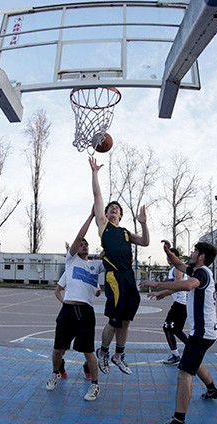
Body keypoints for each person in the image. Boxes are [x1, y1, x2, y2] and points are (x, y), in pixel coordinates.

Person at [140, 240, 217, 424]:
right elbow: (178, 264)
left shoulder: (201, 273)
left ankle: (178, 422)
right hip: (206, 332)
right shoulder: (199, 270)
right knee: (193, 361)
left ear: (201, 256)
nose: (191, 254)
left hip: (202, 332)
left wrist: (157, 284)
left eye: (194, 251)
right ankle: (212, 390)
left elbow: (187, 286)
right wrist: (168, 252)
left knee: (184, 373)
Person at [89, 156, 149, 375]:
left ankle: (118, 354)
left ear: (121, 215)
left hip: (128, 277)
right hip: (114, 277)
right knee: (115, 320)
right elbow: (97, 195)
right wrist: (95, 173)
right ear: (105, 214)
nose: (113, 209)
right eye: (110, 207)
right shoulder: (104, 226)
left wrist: (143, 223)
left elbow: (144, 242)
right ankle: (103, 351)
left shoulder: (125, 232)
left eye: (117, 208)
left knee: (126, 320)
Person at [46, 211, 104, 401]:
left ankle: (95, 385)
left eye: (86, 244)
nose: (83, 244)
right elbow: (79, 236)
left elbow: (112, 256)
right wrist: (91, 216)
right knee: (58, 349)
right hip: (68, 310)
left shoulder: (96, 265)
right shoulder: (71, 260)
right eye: (81, 243)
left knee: (88, 351)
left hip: (86, 312)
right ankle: (56, 372)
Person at [147, 249, 189, 366]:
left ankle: (176, 355)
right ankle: (191, 349)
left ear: (176, 257)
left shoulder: (177, 269)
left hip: (181, 304)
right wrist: (164, 294)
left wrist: (161, 293)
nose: (168, 258)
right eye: (167, 255)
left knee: (167, 328)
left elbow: (178, 286)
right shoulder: (174, 269)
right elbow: (176, 288)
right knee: (177, 331)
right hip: (181, 304)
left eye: (171, 255)